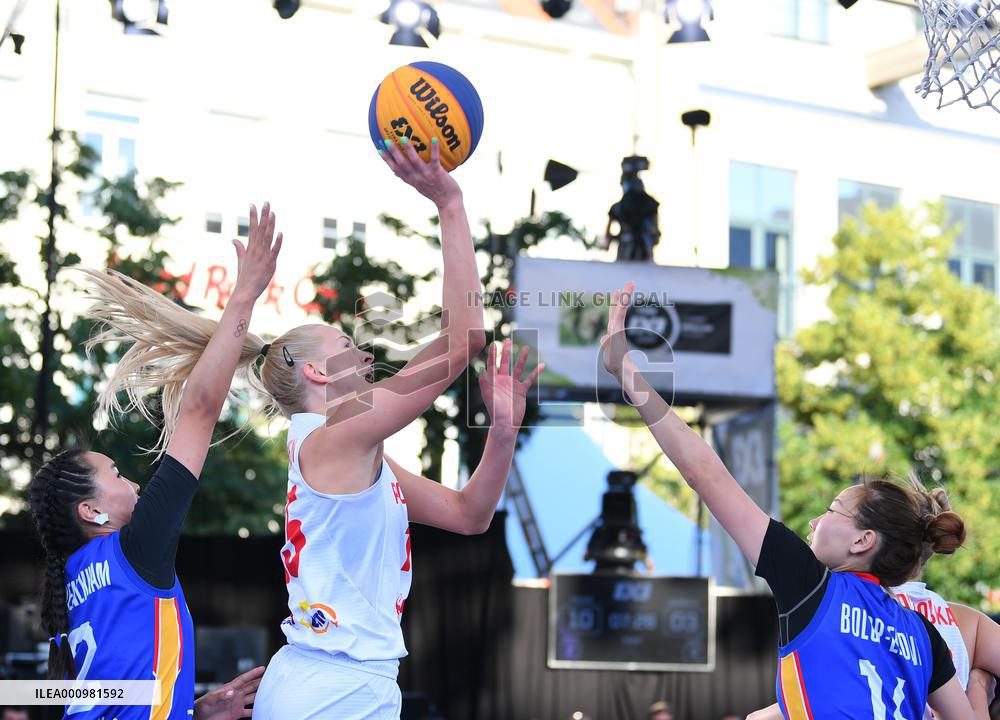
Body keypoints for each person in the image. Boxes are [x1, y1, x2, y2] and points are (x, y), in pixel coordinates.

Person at [93, 138, 542, 719]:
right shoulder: (337, 440)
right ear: (315, 371)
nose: (364, 355)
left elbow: (469, 515)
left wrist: (501, 435)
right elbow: (462, 342)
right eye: (349, 345)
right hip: (331, 687)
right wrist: (449, 204)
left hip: (344, 683)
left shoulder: (345, 451)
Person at [599, 281, 975, 720]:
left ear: (863, 540)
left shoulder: (812, 585)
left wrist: (627, 372)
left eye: (834, 509)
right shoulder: (923, 634)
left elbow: (705, 473)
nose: (815, 521)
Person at [27, 202, 282, 719]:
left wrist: (191, 711)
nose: (134, 484)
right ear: (91, 512)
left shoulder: (76, 581)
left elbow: (108, 693)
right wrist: (246, 293)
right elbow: (201, 409)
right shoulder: (132, 553)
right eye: (116, 475)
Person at [749, 481, 1000, 720]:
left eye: (833, 510)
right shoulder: (961, 621)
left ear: (868, 539)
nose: (815, 522)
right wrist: (978, 688)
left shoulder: (845, 605)